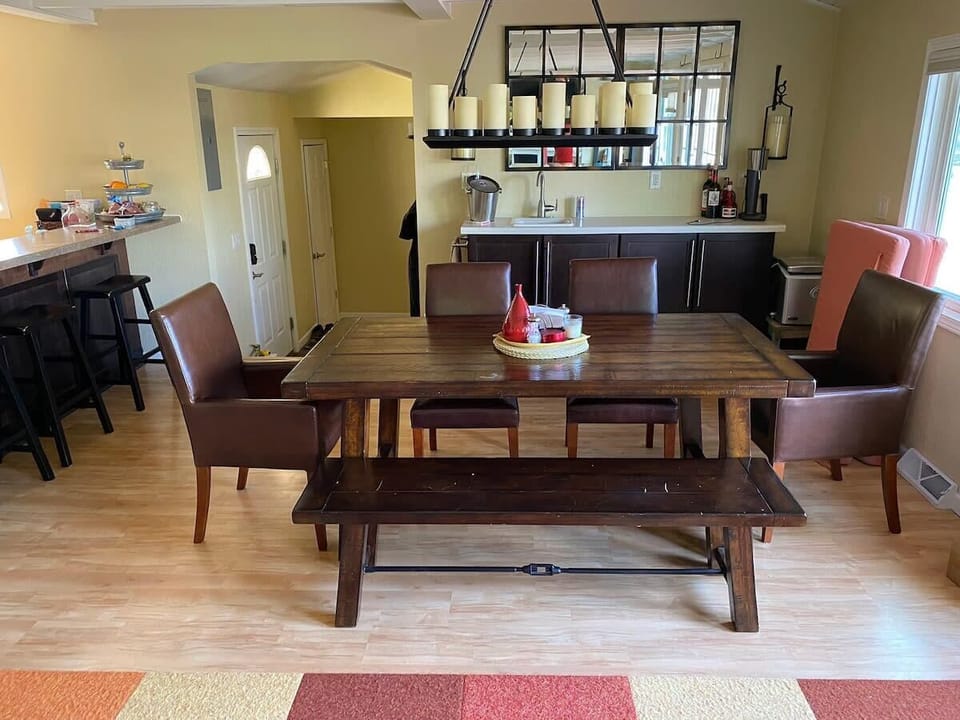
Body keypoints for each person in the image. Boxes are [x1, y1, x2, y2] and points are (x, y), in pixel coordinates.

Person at [399, 201, 420, 317]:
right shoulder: (419, 203)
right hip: (417, 255)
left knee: (417, 301)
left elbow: (406, 232)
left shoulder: (418, 204)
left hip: (417, 254)